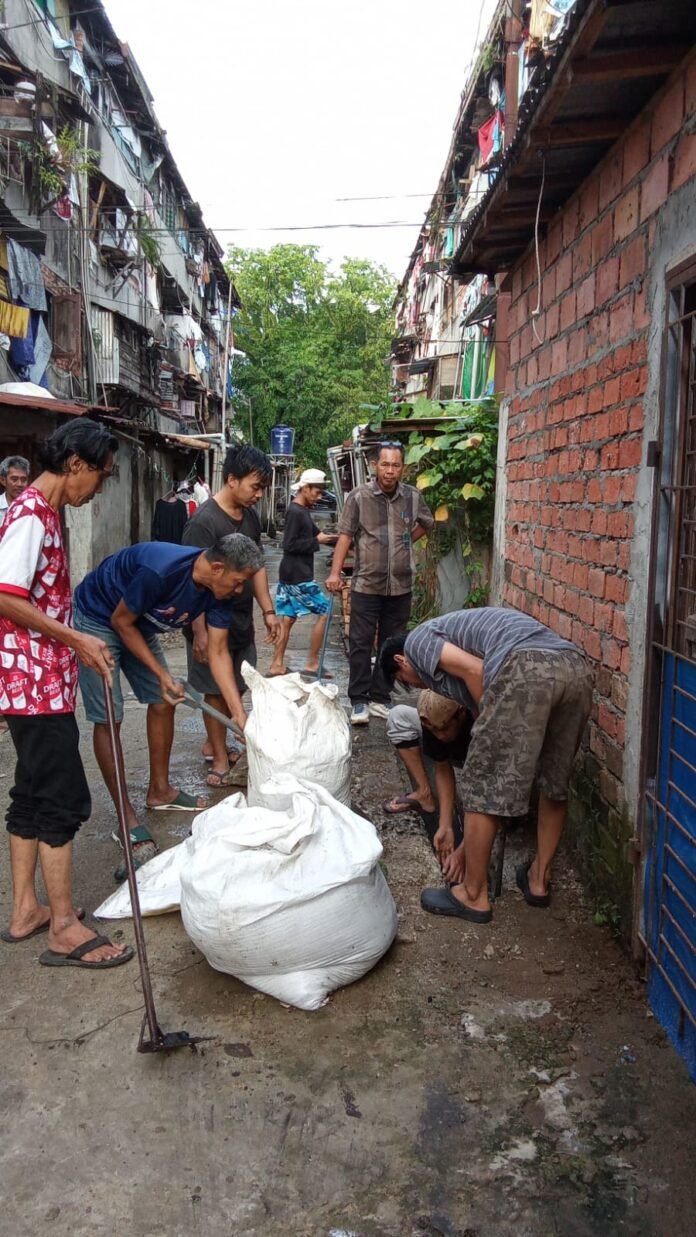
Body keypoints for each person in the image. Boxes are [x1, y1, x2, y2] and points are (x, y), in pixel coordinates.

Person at [0, 419, 133, 969]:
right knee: (62, 797)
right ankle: (61, 926)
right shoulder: (30, 515)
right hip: (32, 684)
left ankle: (25, 911)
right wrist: (77, 638)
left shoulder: (46, 514)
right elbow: (5, 595)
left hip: (39, 682)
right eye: (101, 475)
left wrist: (74, 645)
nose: (99, 488)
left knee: (32, 791)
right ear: (75, 464)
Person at [379, 607, 593, 923]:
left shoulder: (417, 642)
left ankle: (472, 894)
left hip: (527, 667)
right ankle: (538, 880)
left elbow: (477, 671)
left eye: (405, 682)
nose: (418, 688)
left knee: (483, 782)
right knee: (553, 782)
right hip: (574, 669)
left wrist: (487, 733)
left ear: (401, 662)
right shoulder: (452, 650)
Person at [73, 533, 263, 879]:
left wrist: (239, 714)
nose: (240, 590)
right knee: (110, 715)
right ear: (217, 568)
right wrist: (162, 674)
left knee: (164, 701)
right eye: (238, 582)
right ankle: (125, 816)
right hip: (99, 618)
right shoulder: (160, 571)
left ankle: (159, 791)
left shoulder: (219, 591)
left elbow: (219, 651)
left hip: (137, 621)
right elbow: (120, 622)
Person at [182, 444, 281, 788]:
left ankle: (217, 742)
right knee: (213, 689)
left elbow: (257, 566)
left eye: (263, 487)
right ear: (232, 479)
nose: (259, 494)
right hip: (207, 620)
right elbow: (192, 580)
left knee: (237, 683)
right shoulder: (203, 522)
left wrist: (268, 610)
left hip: (239, 617)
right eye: (256, 486)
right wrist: (198, 632)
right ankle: (220, 758)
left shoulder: (249, 517)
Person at [326, 442, 434, 725]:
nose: (389, 471)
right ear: (375, 465)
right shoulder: (359, 497)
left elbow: (427, 522)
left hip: (401, 585)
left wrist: (407, 540)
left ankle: (380, 697)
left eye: (395, 465)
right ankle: (359, 700)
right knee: (360, 643)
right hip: (366, 584)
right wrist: (335, 573)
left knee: (392, 645)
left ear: (403, 468)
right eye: (385, 464)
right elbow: (345, 536)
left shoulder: (412, 497)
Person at [383, 690, 472, 869]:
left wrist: (464, 849)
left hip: (483, 757)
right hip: (456, 743)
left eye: (444, 729)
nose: (440, 736)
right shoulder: (432, 721)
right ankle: (424, 794)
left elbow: (485, 794)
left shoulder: (479, 723)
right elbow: (443, 768)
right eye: (434, 730)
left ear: (461, 713)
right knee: (398, 716)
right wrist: (445, 825)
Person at [268, 468, 338, 678]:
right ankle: (312, 663)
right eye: (316, 492)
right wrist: (316, 541)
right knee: (325, 612)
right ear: (305, 488)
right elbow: (289, 545)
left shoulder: (303, 510)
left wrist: (341, 539)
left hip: (292, 573)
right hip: (297, 575)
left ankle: (277, 665)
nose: (319, 497)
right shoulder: (295, 512)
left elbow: (320, 535)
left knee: (288, 619)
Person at [0, 454, 30, 525]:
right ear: (3, 480)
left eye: (23, 480)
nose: (19, 484)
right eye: (14, 479)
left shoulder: (32, 506)